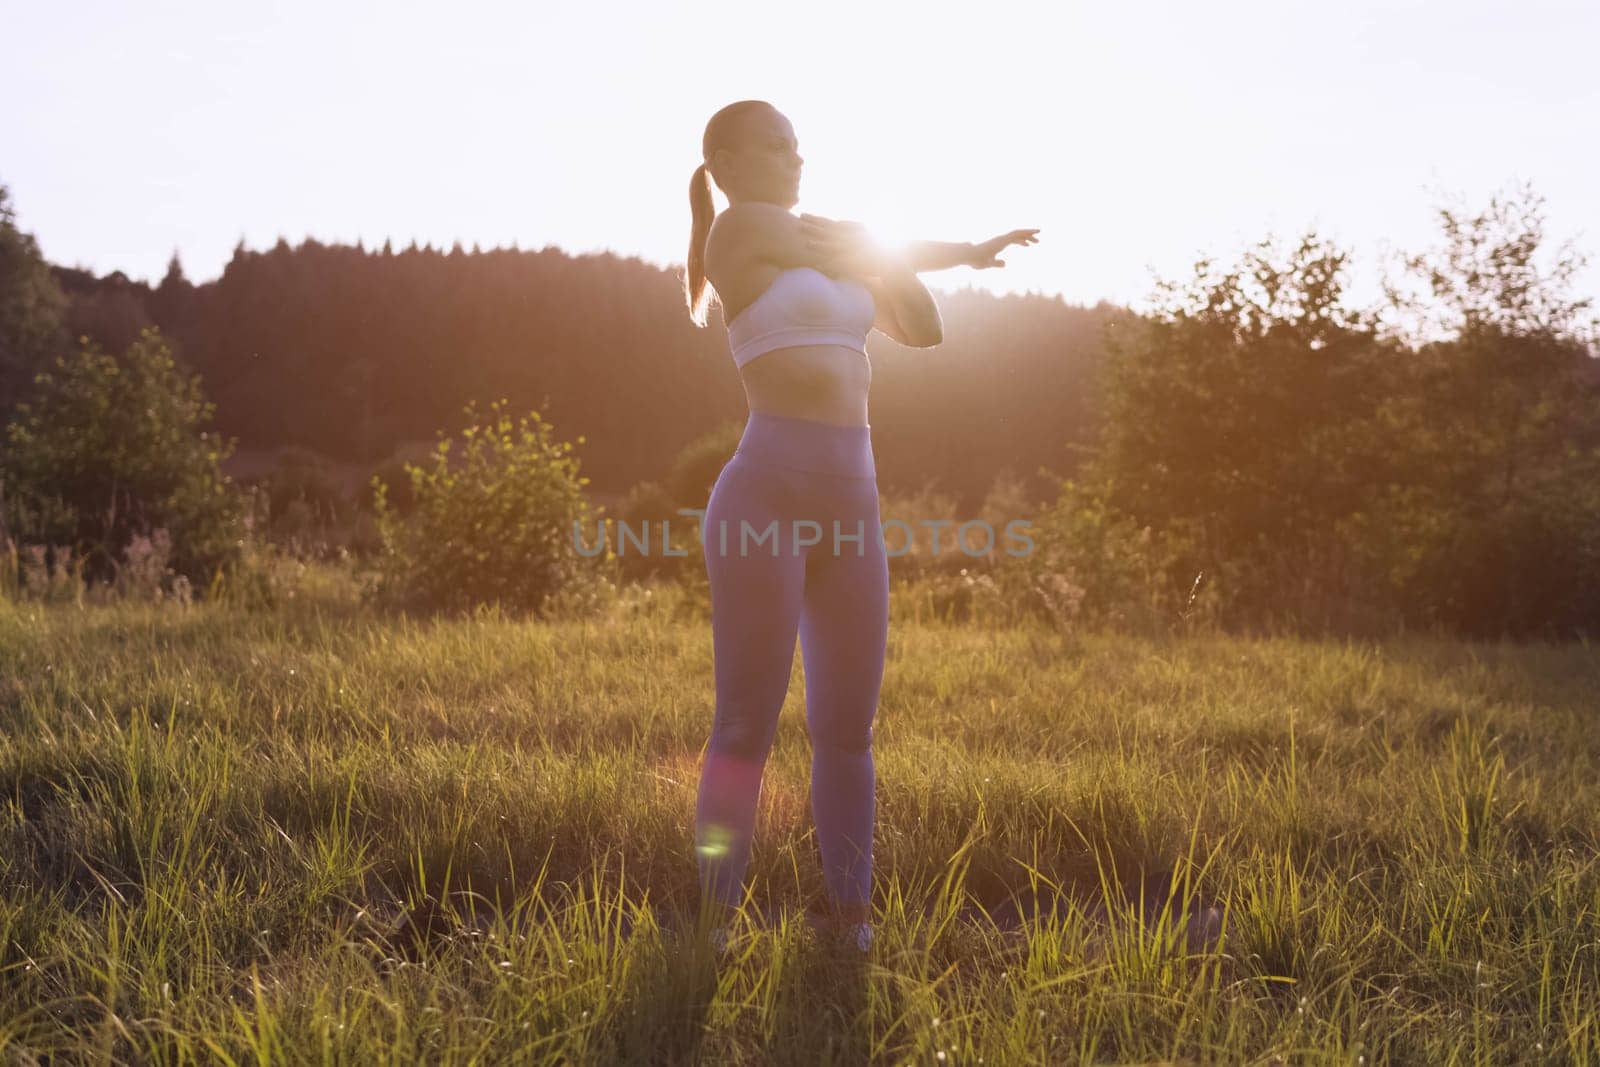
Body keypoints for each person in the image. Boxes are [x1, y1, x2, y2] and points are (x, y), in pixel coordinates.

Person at [682, 99, 1039, 954]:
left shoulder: (828, 247)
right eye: (774, 144)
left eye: (798, 144)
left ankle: (850, 920)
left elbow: (924, 328)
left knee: (849, 729)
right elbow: (847, 246)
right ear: (725, 162)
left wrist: (949, 258)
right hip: (762, 500)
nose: (794, 157)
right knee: (745, 723)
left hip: (853, 509)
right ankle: (713, 921)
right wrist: (931, 250)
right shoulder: (736, 235)